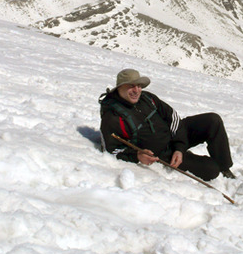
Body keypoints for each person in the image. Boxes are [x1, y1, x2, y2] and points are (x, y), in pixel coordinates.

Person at [99, 68, 235, 181]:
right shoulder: (112, 117)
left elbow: (173, 117)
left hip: (175, 138)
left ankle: (225, 167)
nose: (136, 90)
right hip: (164, 155)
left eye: (139, 85)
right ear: (119, 87)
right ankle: (215, 167)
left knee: (212, 120)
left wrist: (179, 147)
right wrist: (137, 156)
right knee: (211, 170)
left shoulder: (147, 98)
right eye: (131, 86)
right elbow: (112, 150)